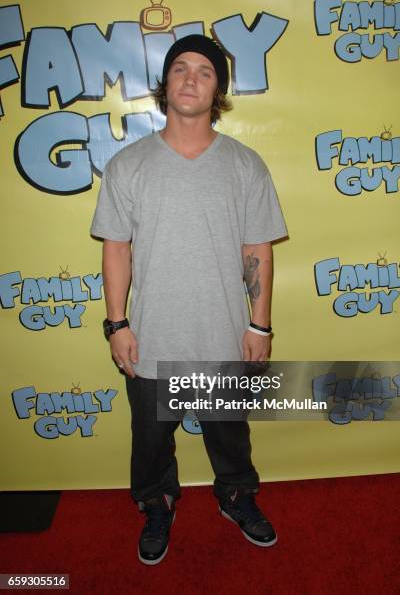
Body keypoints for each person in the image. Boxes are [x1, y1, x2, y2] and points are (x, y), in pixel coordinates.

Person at [90, 34, 288, 565]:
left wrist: (260, 325)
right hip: (152, 338)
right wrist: (118, 325)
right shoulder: (129, 165)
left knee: (230, 439)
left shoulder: (245, 165)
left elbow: (257, 249)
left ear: (218, 87)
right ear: (165, 82)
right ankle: (158, 503)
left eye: (205, 70)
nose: (191, 78)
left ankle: (235, 495)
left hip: (223, 336)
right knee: (151, 446)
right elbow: (116, 249)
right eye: (180, 68)